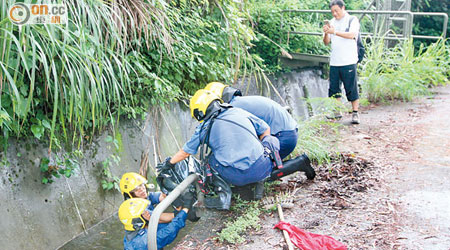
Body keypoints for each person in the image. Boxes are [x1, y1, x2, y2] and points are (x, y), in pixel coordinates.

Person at [159, 89, 315, 200]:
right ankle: (259, 180)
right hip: (265, 163)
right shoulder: (238, 111)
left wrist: (168, 164)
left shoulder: (204, 127)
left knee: (210, 160)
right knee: (256, 167)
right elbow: (266, 128)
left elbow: (185, 152)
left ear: (200, 112)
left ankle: (229, 192)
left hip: (239, 176)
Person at [204, 82, 298, 160]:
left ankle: (300, 163)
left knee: (259, 167)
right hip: (288, 132)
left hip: (283, 136)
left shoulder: (233, 109)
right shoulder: (239, 102)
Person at [323, 0, 361, 124]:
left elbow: (352, 35)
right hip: (335, 61)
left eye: (336, 11)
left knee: (351, 87)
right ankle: (336, 112)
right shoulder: (332, 22)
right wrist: (326, 32)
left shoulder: (352, 20)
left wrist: (335, 32)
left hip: (348, 60)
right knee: (334, 89)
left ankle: (355, 112)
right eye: (332, 11)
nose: (334, 14)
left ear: (343, 8)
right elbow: (326, 42)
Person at [118, 195, 193, 250]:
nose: (147, 212)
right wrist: (185, 209)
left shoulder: (135, 228)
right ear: (137, 220)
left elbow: (164, 225)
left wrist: (178, 213)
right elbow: (168, 232)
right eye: (143, 212)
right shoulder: (141, 243)